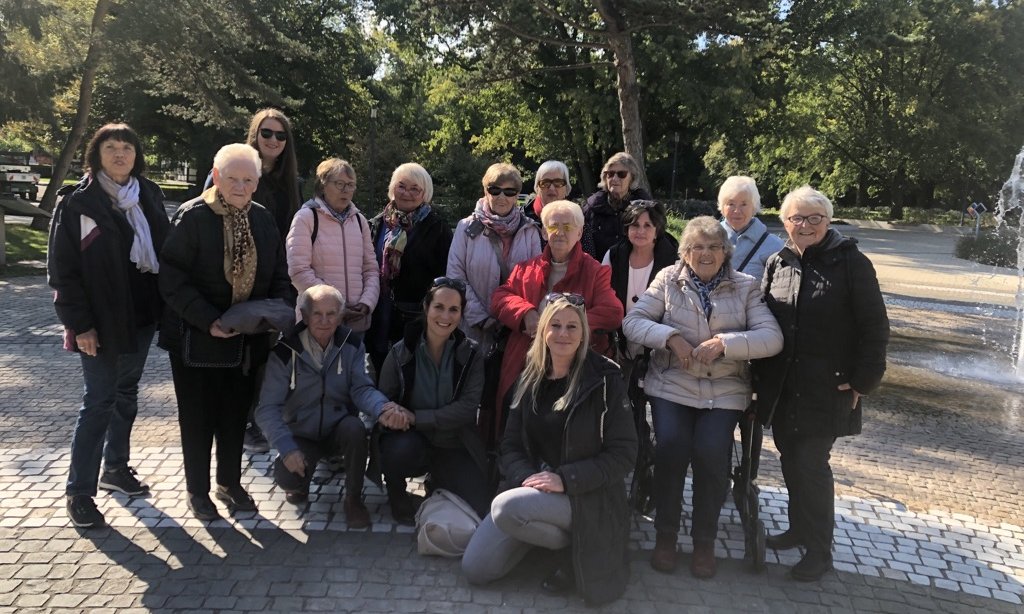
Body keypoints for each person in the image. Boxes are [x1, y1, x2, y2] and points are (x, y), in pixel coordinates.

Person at [622, 216, 783, 578]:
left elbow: (772, 338)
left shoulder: (746, 286)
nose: (705, 254)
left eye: (714, 247)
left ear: (726, 252)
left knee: (712, 453)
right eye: (697, 247)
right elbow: (632, 322)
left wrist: (726, 343)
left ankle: (704, 541)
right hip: (673, 383)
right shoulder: (668, 279)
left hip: (724, 389)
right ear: (685, 252)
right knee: (671, 447)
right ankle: (666, 535)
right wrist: (670, 338)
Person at [462, 295, 638, 606]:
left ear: (583, 333)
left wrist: (565, 479)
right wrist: (529, 479)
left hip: (587, 496)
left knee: (505, 508)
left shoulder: (605, 379)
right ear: (543, 330)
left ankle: (574, 550)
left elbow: (623, 454)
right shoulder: (529, 377)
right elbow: (510, 445)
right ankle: (558, 542)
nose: (563, 334)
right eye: (555, 325)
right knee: (476, 568)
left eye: (572, 326)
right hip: (534, 489)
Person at [755, 186, 889, 581]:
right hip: (784, 386)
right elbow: (763, 321)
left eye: (814, 217)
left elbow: (875, 326)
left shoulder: (851, 263)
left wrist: (863, 381)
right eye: (797, 217)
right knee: (790, 459)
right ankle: (798, 528)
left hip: (828, 387)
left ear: (828, 221)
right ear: (785, 222)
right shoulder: (777, 263)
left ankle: (819, 550)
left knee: (811, 464)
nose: (805, 225)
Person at [158, 143, 292, 521]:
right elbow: (172, 279)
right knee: (198, 420)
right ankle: (197, 491)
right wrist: (209, 321)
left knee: (235, 417)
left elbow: (280, 274)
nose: (240, 186)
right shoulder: (193, 216)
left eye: (248, 180)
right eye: (232, 178)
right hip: (197, 338)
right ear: (216, 177)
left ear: (256, 182)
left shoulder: (263, 219)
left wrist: (275, 311)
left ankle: (229, 483)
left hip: (248, 341)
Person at [47, 123, 171, 528]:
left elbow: (166, 248)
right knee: (99, 400)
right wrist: (79, 325)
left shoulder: (148, 194)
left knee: (126, 393)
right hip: (98, 323)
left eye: (127, 148)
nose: (120, 154)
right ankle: (79, 491)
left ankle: (115, 468)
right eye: (111, 147)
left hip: (141, 316)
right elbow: (62, 271)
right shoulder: (78, 203)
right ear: (96, 154)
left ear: (137, 155)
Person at [255, 284, 390, 529]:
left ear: (340, 317)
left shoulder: (352, 345)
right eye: (317, 314)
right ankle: (300, 483)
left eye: (331, 314)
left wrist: (383, 408)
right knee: (288, 478)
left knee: (356, 429)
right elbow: (267, 408)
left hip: (338, 427)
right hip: (301, 432)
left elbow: (361, 388)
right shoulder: (285, 352)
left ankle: (353, 499)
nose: (325, 321)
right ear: (305, 316)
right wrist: (286, 448)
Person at [489, 200, 623, 446]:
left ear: (579, 233)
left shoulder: (595, 271)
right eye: (553, 226)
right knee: (512, 411)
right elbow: (500, 297)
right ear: (543, 232)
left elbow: (612, 312)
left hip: (573, 363)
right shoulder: (525, 269)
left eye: (568, 227)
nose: (560, 232)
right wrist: (525, 313)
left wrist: (568, 325)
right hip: (525, 358)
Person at [375, 277, 492, 522]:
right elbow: (384, 398)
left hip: (453, 441)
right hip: (410, 438)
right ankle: (396, 490)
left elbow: (467, 408)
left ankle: (438, 480)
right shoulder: (401, 352)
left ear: (461, 314)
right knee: (398, 450)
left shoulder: (471, 354)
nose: (445, 316)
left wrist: (417, 417)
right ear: (426, 307)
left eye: (453, 309)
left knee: (479, 504)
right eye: (439, 307)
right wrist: (393, 414)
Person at [367, 163, 452, 376]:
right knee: (378, 371)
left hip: (413, 317)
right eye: (401, 186)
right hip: (378, 313)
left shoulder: (437, 227)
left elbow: (444, 276)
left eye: (415, 189)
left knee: (407, 375)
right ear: (392, 188)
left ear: (425, 193)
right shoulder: (376, 224)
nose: (407, 193)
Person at [446, 162, 541, 350]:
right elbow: (456, 276)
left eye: (509, 191)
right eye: (495, 190)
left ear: (517, 195)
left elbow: (535, 280)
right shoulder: (466, 228)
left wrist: (516, 316)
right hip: (472, 329)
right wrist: (481, 318)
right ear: (485, 191)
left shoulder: (529, 230)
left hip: (515, 329)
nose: (502, 197)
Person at [286, 158, 378, 342]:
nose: (346, 190)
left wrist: (367, 303)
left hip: (356, 322)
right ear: (323, 185)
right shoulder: (306, 218)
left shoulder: (360, 221)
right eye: (340, 184)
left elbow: (371, 269)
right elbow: (298, 271)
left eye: (350, 185)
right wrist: (335, 304)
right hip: (317, 320)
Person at [581, 152, 652, 260]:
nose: (614, 178)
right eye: (610, 174)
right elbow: (584, 246)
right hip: (598, 267)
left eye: (621, 174)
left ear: (632, 178)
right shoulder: (591, 208)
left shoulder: (644, 208)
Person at [245, 108, 301, 241]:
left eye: (281, 135)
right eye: (266, 133)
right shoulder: (235, 174)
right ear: (255, 134)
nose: (273, 139)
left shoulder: (293, 184)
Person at [718, 176, 784, 282]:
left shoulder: (774, 245)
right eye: (731, 204)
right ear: (722, 207)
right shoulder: (707, 239)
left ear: (754, 207)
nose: (737, 211)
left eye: (744, 204)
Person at [523, 160, 572, 237]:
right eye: (545, 183)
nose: (551, 188)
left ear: (566, 188)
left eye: (558, 182)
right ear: (537, 188)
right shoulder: (521, 220)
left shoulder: (577, 220)